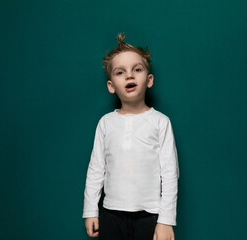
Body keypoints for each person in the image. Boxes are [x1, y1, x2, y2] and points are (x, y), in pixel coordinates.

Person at [83, 33, 179, 240]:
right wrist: (90, 210)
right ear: (111, 86)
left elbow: (170, 174)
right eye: (120, 72)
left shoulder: (160, 122)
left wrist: (166, 220)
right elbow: (96, 169)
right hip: (111, 215)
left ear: (149, 79)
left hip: (150, 216)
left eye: (137, 69)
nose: (129, 76)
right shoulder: (105, 123)